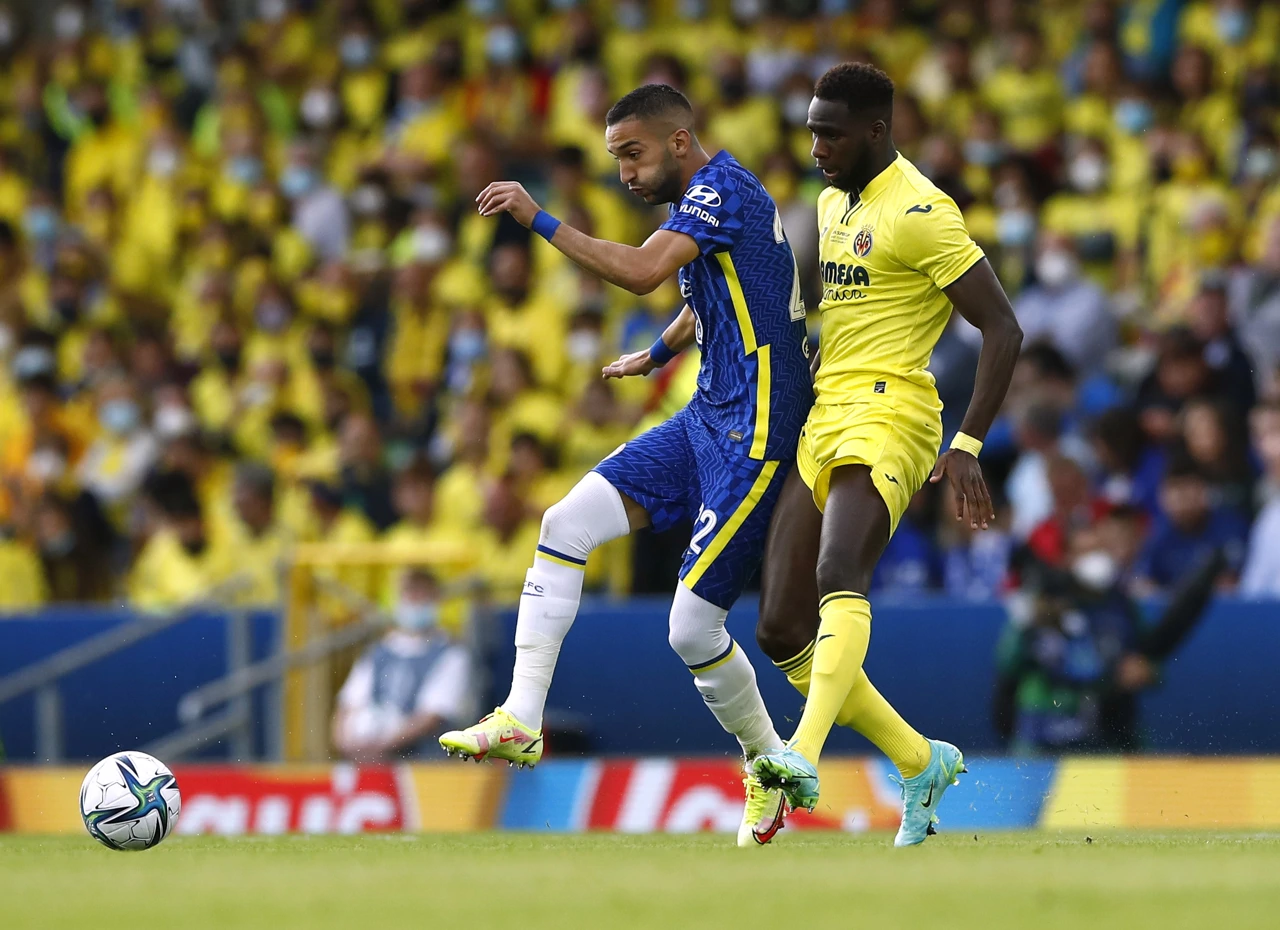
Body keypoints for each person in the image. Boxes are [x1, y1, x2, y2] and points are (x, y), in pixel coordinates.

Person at [438, 83, 812, 848]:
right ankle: (521, 717)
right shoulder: (717, 200)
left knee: (692, 629)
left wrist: (538, 219)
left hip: (756, 432)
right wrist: (661, 352)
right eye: (616, 160)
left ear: (678, 142)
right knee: (565, 521)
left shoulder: (718, 192)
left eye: (632, 155)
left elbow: (645, 273)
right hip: (707, 413)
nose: (625, 175)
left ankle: (768, 765)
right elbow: (717, 289)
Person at [748, 63, 1023, 846]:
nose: (816, 148)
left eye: (830, 135)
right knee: (779, 628)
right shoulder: (832, 202)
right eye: (811, 132)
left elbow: (1003, 327)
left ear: (876, 130)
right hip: (828, 408)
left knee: (839, 570)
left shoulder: (922, 212)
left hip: (894, 410)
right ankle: (919, 759)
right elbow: (838, 305)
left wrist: (967, 441)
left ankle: (800, 755)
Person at [332, 569, 475, 761]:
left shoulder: (452, 654)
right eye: (410, 593)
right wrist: (348, 745)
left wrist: (381, 746)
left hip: (425, 765)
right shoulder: (378, 651)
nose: (415, 600)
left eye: (422, 594)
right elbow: (348, 704)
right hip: (369, 759)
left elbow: (432, 716)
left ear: (435, 600)